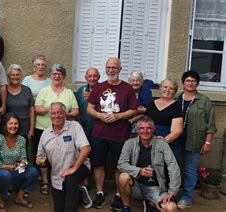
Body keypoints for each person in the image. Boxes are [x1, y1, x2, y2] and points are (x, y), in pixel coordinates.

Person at [87, 57, 138, 210]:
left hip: (119, 134)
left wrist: (118, 116)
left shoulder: (127, 88)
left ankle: (118, 195)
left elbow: (134, 110)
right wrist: (99, 115)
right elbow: (89, 108)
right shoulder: (98, 87)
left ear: (120, 69)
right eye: (108, 67)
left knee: (118, 166)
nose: (111, 70)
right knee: (98, 164)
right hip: (99, 133)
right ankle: (100, 193)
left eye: (114, 68)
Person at [36, 102, 91, 212]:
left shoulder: (74, 126)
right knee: (60, 208)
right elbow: (41, 156)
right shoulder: (45, 134)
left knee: (70, 179)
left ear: (65, 114)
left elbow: (86, 148)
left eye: (60, 113)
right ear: (50, 116)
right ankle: (80, 193)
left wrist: (73, 168)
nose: (57, 116)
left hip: (79, 167)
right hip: (57, 177)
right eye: (54, 113)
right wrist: (40, 161)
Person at [117, 116, 180, 212]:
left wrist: (172, 191)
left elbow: (173, 166)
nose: (145, 131)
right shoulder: (130, 143)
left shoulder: (162, 144)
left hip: (155, 188)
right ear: (137, 130)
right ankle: (126, 207)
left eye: (148, 128)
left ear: (153, 129)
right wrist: (139, 171)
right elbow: (121, 164)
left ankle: (150, 202)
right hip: (136, 186)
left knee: (171, 208)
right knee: (123, 177)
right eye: (141, 128)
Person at [34, 63, 79, 195]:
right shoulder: (44, 91)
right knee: (43, 157)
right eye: (54, 73)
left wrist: (65, 114)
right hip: (43, 128)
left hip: (63, 130)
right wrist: (54, 109)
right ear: (51, 76)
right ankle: (45, 181)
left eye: (59, 73)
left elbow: (76, 111)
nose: (56, 76)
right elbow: (37, 109)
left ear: (63, 76)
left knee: (62, 155)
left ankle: (61, 179)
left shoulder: (69, 93)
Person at [176, 71, 216, 209]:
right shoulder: (176, 98)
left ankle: (187, 197)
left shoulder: (204, 100)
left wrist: (208, 142)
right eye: (187, 80)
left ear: (197, 83)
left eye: (193, 80)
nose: (190, 83)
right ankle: (173, 193)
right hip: (176, 140)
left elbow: (211, 125)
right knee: (174, 168)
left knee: (190, 169)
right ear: (183, 83)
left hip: (194, 141)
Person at [0, 113, 39, 211]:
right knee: (5, 175)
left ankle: (20, 197)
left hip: (15, 169)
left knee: (33, 171)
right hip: (0, 171)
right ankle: (1, 200)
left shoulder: (21, 139)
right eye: (10, 123)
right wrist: (7, 166)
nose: (13, 126)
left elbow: (24, 159)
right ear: (5, 125)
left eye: (16, 124)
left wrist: (23, 164)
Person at [145, 79, 183, 161]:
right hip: (149, 142)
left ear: (175, 92)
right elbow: (144, 125)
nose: (167, 90)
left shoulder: (177, 106)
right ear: (160, 88)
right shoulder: (151, 105)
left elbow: (177, 131)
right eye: (165, 87)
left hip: (169, 143)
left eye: (171, 88)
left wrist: (161, 144)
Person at [6, 64, 35, 162]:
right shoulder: (3, 90)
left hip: (24, 128)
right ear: (9, 76)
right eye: (13, 75)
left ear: (21, 76)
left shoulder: (27, 90)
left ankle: (22, 174)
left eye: (17, 75)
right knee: (9, 154)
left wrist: (31, 128)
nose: (15, 77)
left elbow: (31, 110)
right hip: (9, 129)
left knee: (23, 155)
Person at [75, 67, 100, 142]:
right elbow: (77, 109)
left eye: (95, 76)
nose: (92, 79)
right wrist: (79, 125)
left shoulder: (104, 90)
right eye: (90, 76)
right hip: (84, 129)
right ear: (86, 78)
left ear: (99, 77)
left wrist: (94, 98)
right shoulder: (80, 91)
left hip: (99, 129)